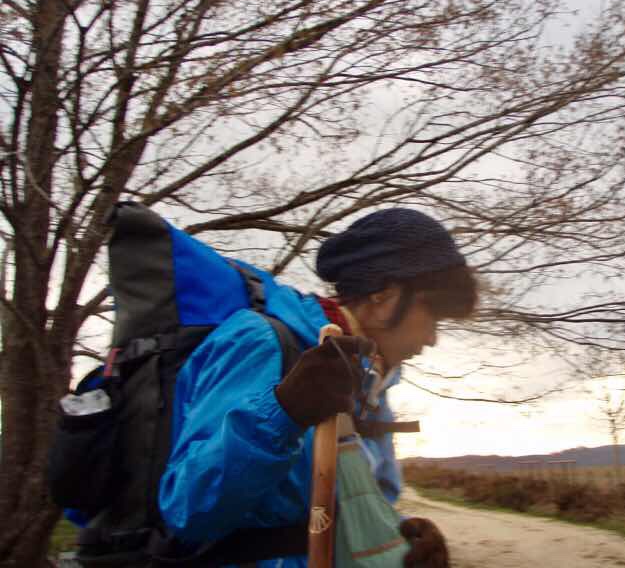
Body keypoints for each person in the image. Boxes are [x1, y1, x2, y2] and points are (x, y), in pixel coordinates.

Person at [157, 208, 478, 567]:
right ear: (383, 294)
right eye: (433, 313)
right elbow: (188, 509)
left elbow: (356, 504)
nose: (433, 338)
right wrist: (283, 411)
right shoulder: (262, 342)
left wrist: (403, 535)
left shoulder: (370, 383)